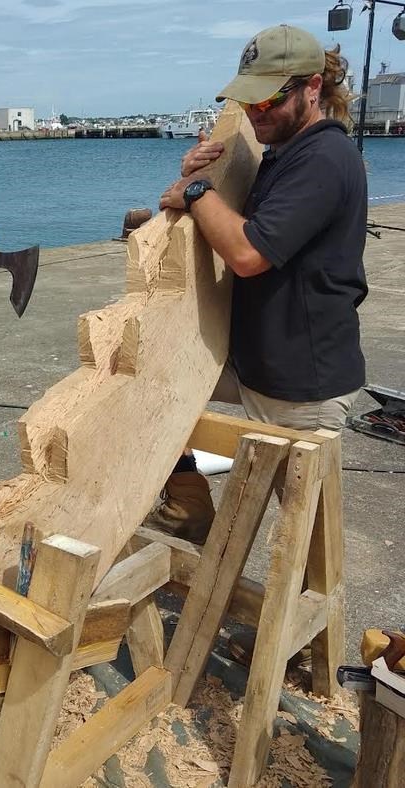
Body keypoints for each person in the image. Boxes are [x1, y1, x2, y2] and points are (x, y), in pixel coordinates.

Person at [148, 25, 368, 546]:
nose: (256, 112)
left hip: (301, 381)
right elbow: (198, 210)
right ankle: (189, 511)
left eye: (269, 98)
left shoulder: (324, 159)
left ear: (313, 87)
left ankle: (304, 627)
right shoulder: (283, 153)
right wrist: (197, 174)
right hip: (256, 362)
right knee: (154, 384)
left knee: (301, 543)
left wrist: (197, 191)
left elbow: (247, 254)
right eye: (249, 100)